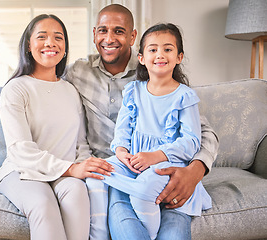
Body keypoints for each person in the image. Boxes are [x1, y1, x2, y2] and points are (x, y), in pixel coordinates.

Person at [0, 4, 219, 239]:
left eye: (119, 31)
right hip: (111, 171)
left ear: (133, 37)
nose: (109, 38)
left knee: (173, 226)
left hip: (163, 170)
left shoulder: (155, 70)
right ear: (94, 35)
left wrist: (196, 170)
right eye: (102, 31)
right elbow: (37, 85)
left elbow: (202, 131)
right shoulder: (77, 73)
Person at [87, 23, 212, 240]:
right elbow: (123, 129)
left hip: (166, 164)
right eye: (153, 49)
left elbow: (191, 141)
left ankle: (149, 232)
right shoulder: (133, 91)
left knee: (147, 187)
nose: (160, 54)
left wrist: (155, 156)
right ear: (142, 57)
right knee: (99, 172)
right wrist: (121, 151)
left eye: (168, 49)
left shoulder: (184, 96)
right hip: (133, 161)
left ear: (179, 57)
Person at [0, 14, 113, 240]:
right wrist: (71, 169)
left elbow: (80, 144)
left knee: (78, 194)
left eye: (58, 37)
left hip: (64, 172)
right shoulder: (16, 89)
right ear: (29, 45)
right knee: (43, 205)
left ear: (65, 48)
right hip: (23, 172)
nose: (51, 43)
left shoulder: (70, 90)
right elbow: (20, 150)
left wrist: (87, 167)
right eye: (42, 37)